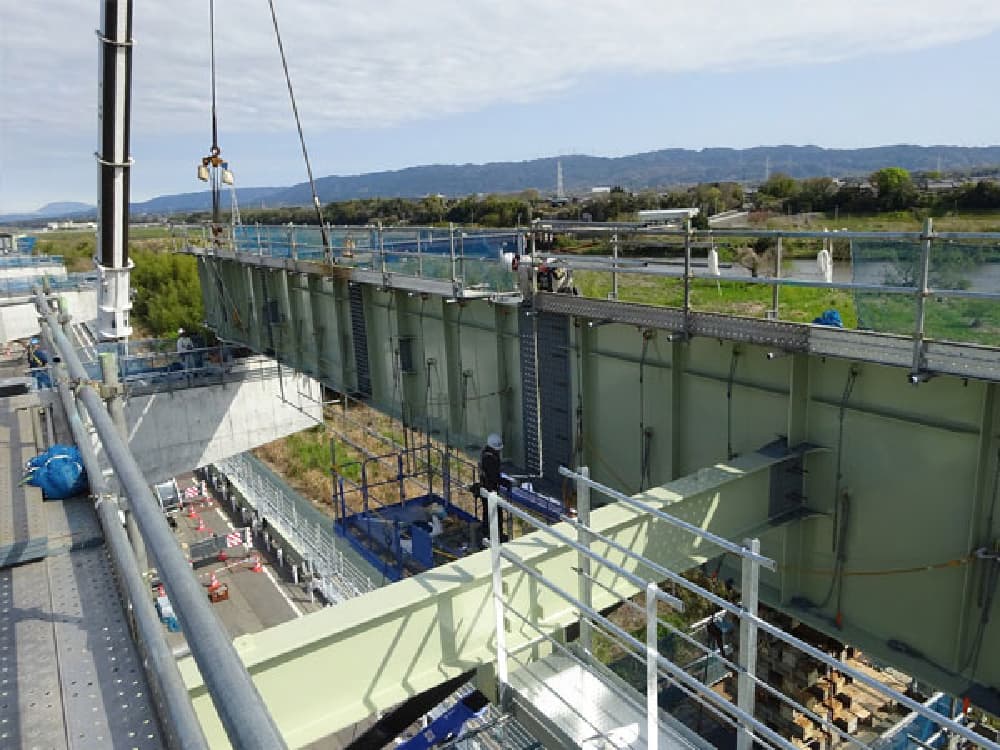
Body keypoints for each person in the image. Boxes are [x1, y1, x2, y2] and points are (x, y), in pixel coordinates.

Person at [478, 433, 508, 541]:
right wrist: (506, 482)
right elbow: (494, 476)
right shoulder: (489, 459)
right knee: (495, 513)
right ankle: (495, 535)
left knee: (489, 512)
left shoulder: (486, 453)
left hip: (487, 487)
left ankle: (489, 532)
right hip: (489, 489)